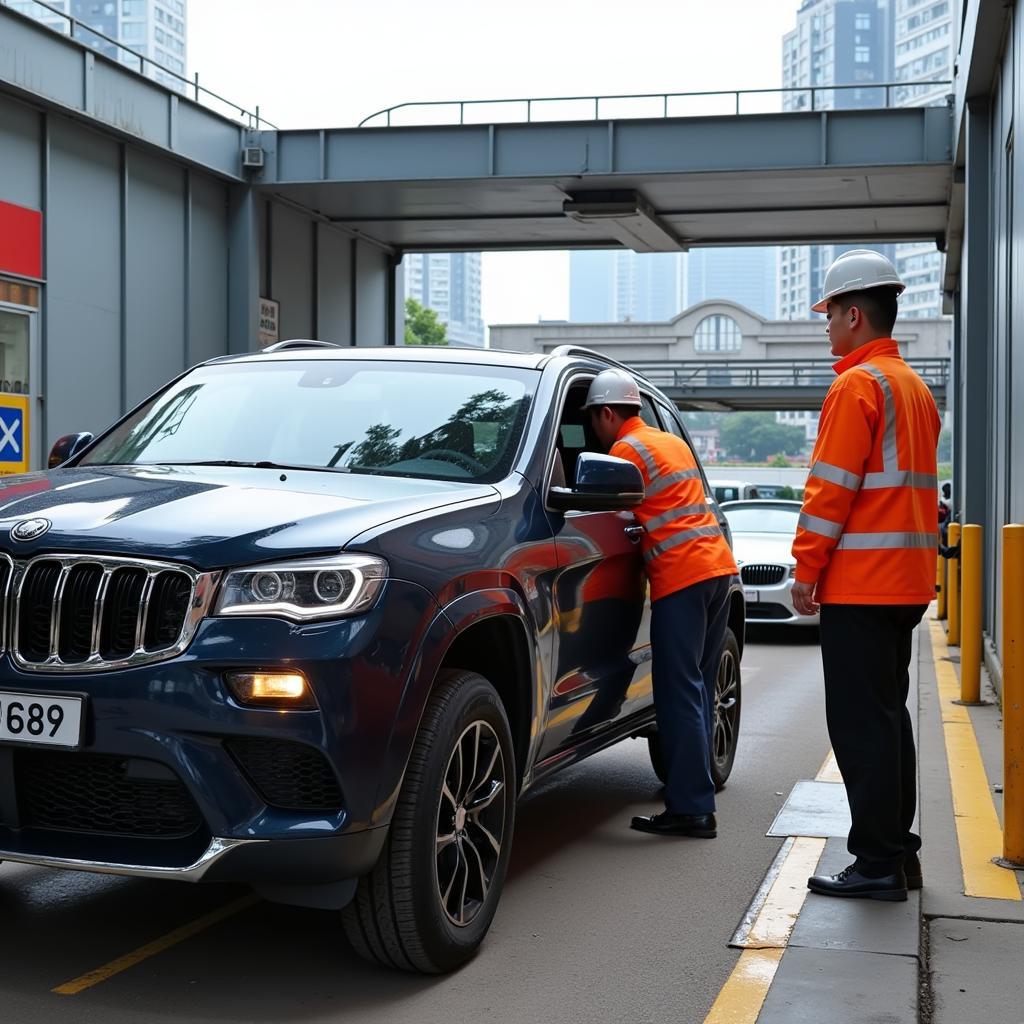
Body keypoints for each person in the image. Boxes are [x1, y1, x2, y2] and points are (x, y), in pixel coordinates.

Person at [791, 249, 941, 901]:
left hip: (862, 584)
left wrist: (805, 570)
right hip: (904, 583)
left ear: (855, 314)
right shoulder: (912, 387)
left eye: (828, 315)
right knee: (886, 718)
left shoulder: (857, 386)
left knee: (860, 725)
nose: (825, 327)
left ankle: (877, 861)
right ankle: (897, 853)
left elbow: (830, 491)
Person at [583, 369, 739, 838]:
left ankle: (692, 809)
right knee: (700, 687)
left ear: (608, 413)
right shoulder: (670, 442)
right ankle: (698, 791)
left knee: (679, 693)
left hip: (683, 578)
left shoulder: (626, 451)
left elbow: (608, 514)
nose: (594, 429)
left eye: (594, 419)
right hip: (717, 571)